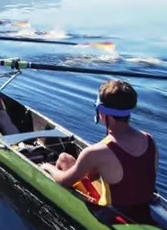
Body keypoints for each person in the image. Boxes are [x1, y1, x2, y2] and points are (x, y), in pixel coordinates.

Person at [40, 80, 159, 208]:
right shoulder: (149, 140)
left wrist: (47, 167)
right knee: (68, 160)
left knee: (63, 159)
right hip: (144, 203)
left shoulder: (96, 152)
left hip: (112, 211)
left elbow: (63, 181)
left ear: (102, 113)